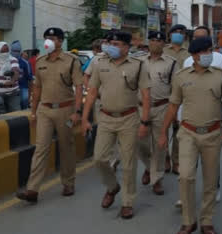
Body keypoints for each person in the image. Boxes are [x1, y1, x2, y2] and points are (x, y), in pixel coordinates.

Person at [159, 37, 222, 234]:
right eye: (204, 51)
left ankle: (207, 221)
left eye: (210, 50)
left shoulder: (220, 76)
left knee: (210, 180)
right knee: (185, 176)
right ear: (193, 55)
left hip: (212, 134)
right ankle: (188, 221)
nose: (208, 54)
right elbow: (173, 106)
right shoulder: (181, 77)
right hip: (188, 133)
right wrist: (163, 133)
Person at [81, 30, 151, 219]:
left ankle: (128, 202)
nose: (113, 46)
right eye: (111, 43)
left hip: (129, 118)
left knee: (128, 163)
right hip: (105, 117)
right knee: (99, 158)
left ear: (127, 47)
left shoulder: (138, 66)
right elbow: (93, 92)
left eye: (118, 44)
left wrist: (144, 121)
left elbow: (145, 95)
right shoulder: (100, 63)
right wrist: (85, 118)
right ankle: (112, 187)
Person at [17, 28, 83, 203]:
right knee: (40, 148)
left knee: (66, 146)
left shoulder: (71, 61)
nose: (48, 42)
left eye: (52, 38)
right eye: (46, 38)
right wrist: (33, 112)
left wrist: (77, 112)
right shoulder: (40, 62)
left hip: (65, 110)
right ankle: (32, 189)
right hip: (44, 110)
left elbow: (79, 87)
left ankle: (68, 182)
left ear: (60, 41)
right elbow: (37, 88)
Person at [183, 26, 222, 203]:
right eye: (196, 38)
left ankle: (213, 188)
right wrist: (179, 118)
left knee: (210, 160)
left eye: (203, 38)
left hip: (214, 116)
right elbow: (180, 93)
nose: (199, 41)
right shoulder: (187, 62)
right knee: (188, 161)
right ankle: (186, 194)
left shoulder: (219, 59)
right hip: (190, 119)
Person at [137, 31, 178, 196]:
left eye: (159, 40)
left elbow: (176, 89)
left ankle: (157, 178)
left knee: (160, 145)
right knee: (140, 142)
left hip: (162, 107)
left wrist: (175, 113)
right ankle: (149, 167)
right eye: (152, 40)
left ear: (164, 44)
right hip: (140, 108)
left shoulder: (172, 63)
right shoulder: (139, 61)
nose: (155, 43)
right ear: (148, 42)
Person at [164, 25, 191, 174]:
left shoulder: (189, 53)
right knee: (163, 128)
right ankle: (165, 158)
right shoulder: (164, 51)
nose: (178, 35)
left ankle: (176, 161)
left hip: (183, 95)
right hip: (164, 94)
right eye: (176, 32)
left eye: (182, 33)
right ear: (170, 34)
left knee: (178, 130)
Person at [11, 40, 34, 109]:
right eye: (14, 51)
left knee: (24, 100)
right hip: (11, 88)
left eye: (17, 51)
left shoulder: (25, 63)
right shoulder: (7, 62)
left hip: (23, 87)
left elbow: (30, 79)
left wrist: (29, 95)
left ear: (20, 51)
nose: (15, 53)